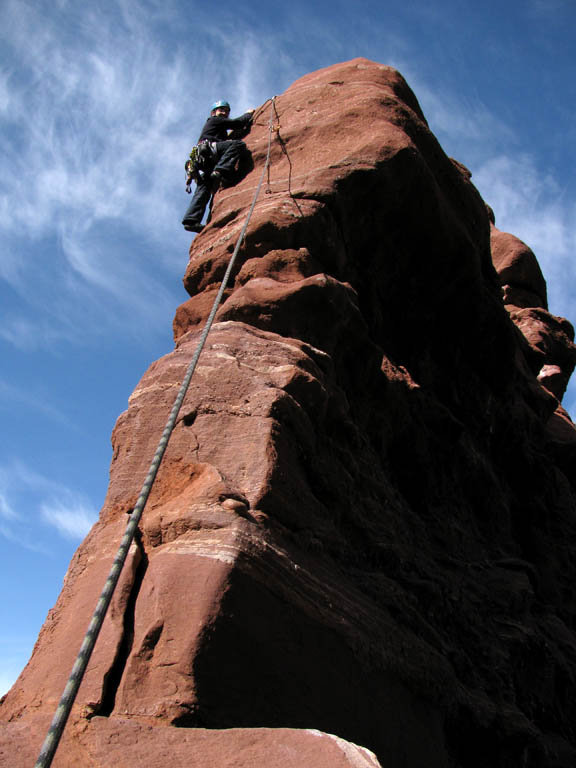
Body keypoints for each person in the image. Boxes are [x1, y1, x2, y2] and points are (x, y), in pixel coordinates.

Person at [182, 100, 255, 233]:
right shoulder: (214, 121)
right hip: (210, 152)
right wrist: (248, 114)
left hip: (204, 160)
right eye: (221, 110)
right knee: (237, 145)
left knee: (204, 185)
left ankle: (191, 221)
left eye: (226, 111)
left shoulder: (216, 128)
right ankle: (221, 170)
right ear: (214, 112)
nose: (224, 113)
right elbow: (237, 123)